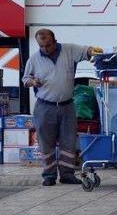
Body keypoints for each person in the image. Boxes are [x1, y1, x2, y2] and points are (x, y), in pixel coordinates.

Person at [22, 29, 101, 186]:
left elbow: (86, 51)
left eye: (48, 45)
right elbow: (25, 79)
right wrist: (32, 82)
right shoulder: (34, 59)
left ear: (55, 41)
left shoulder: (69, 50)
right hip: (45, 106)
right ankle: (49, 175)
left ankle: (67, 174)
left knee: (68, 141)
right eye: (42, 45)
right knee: (46, 142)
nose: (45, 48)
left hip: (67, 106)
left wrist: (93, 51)